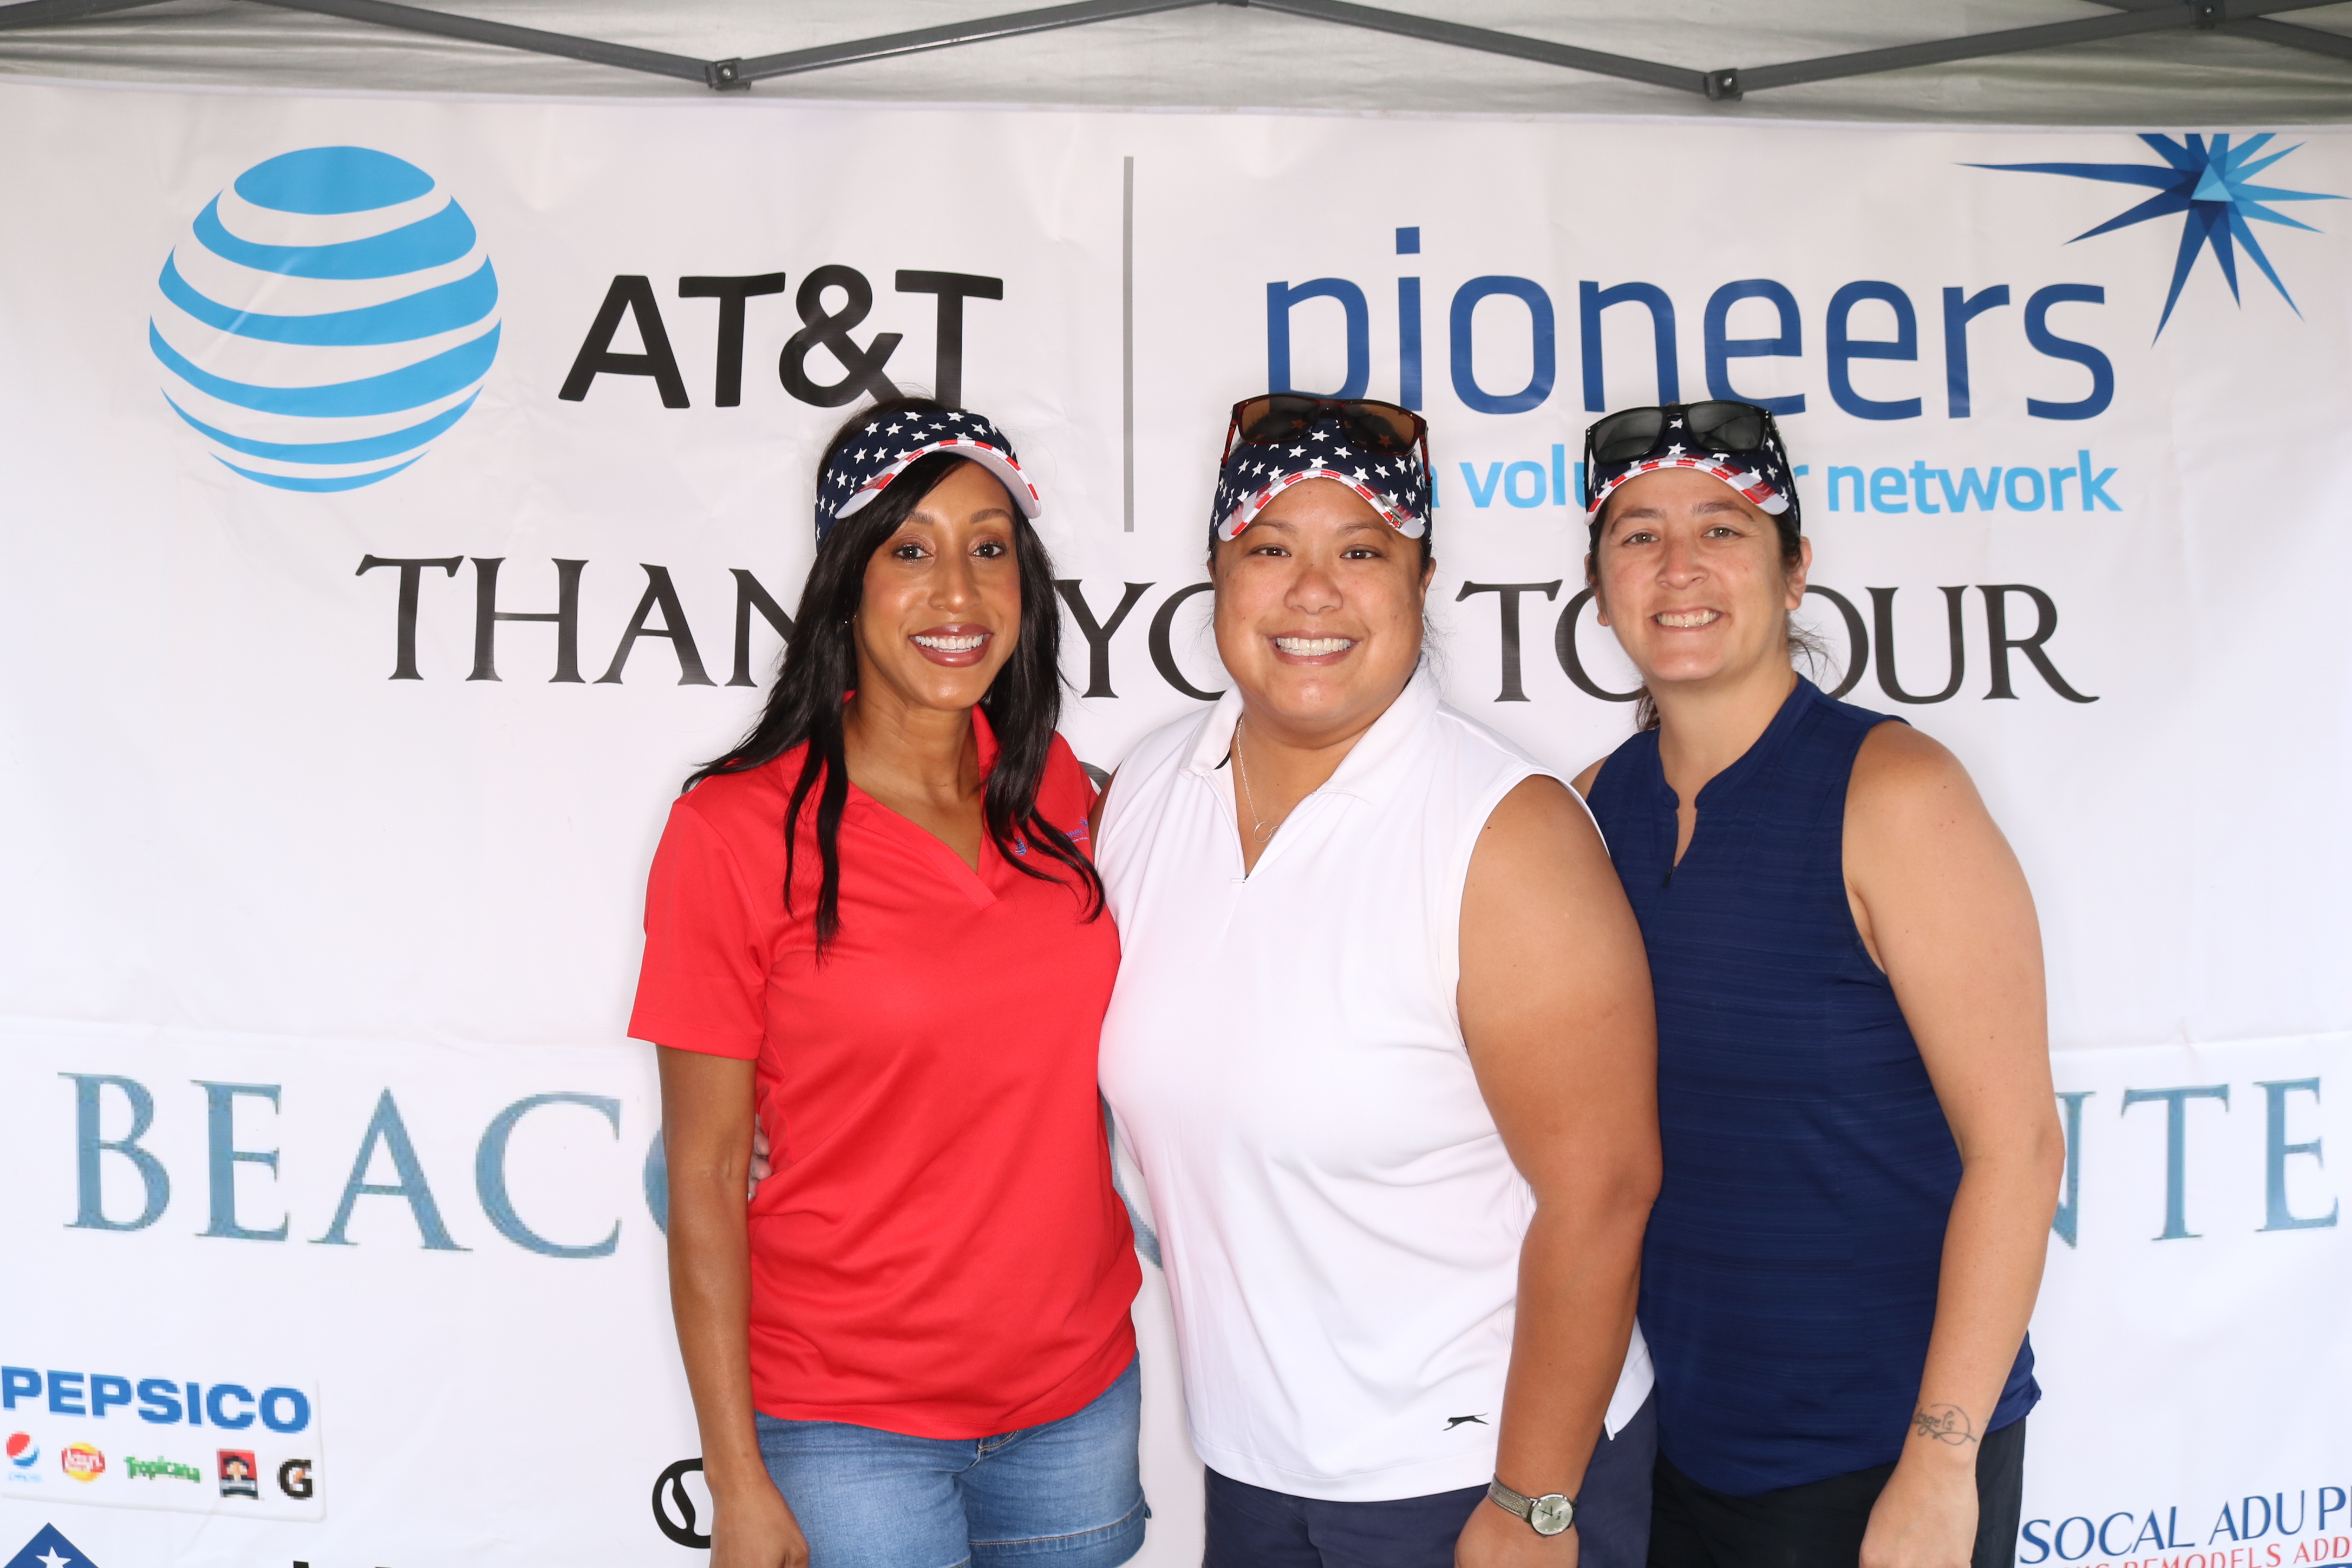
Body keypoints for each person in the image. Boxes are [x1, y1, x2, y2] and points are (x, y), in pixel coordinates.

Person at [1095, 394, 1662, 1568]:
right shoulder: (1148, 790)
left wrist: (1534, 1500)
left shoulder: (1505, 834)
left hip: (1478, 1477)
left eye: (1361, 552)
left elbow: (1604, 1192)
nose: (1314, 592)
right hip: (1257, 1470)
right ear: (1217, 574)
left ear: (1421, 579)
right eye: (1271, 549)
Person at [632, 398, 1145, 1568]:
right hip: (844, 1423)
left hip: (1077, 1398)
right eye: (910, 550)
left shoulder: (1061, 792)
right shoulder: (732, 831)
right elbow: (705, 1175)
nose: (956, 591)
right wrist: (736, 1481)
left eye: (988, 547)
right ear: (846, 583)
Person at [1570, 401, 2066, 1568]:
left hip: (1883, 1460)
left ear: (1794, 572)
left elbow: (2018, 1148)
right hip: (1672, 1451)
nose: (1679, 566)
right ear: (1599, 587)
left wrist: (1940, 1466)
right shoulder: (1591, 807)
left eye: (1724, 529)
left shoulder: (1897, 793)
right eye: (1639, 535)